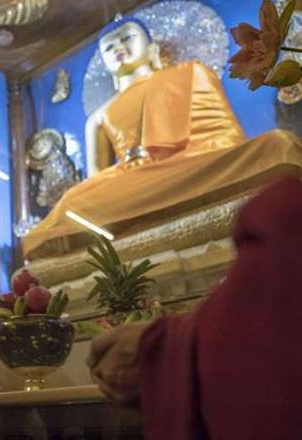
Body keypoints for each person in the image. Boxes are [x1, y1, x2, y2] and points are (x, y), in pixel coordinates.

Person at [22, 16, 302, 257]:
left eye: (126, 38)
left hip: (196, 165)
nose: (118, 47)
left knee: (277, 144)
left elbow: (222, 137)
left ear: (152, 48)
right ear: (105, 64)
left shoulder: (192, 72)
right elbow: (98, 179)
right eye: (109, 46)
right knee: (73, 205)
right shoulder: (98, 116)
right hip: (132, 184)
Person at [87, 177, 302, 439]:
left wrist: (163, 349)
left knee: (275, 146)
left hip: (201, 158)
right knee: (81, 198)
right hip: (137, 176)